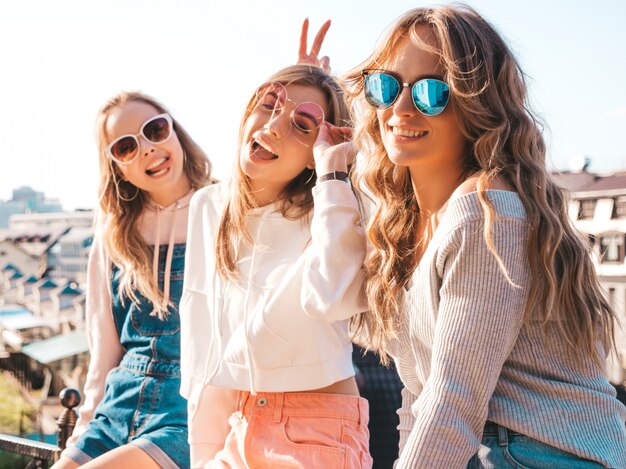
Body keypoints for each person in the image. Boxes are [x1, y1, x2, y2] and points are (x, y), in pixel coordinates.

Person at [345, 5, 626, 468]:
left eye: (433, 92)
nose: (400, 108)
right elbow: (418, 403)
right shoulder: (404, 225)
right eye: (387, 86)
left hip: (544, 454)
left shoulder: (485, 212)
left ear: (477, 106)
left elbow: (451, 403)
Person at [179, 62, 372, 469]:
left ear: (313, 156)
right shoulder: (209, 206)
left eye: (302, 126)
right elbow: (203, 341)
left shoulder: (333, 207)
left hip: (317, 428)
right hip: (240, 425)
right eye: (269, 105)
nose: (272, 127)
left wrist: (333, 173)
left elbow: (332, 299)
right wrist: (203, 454)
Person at [53, 92, 213, 469]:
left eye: (154, 130)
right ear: (117, 168)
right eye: (126, 147)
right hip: (116, 411)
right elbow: (105, 351)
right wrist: (80, 435)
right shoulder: (114, 236)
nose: (147, 149)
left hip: (186, 415)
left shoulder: (222, 209)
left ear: (175, 132)